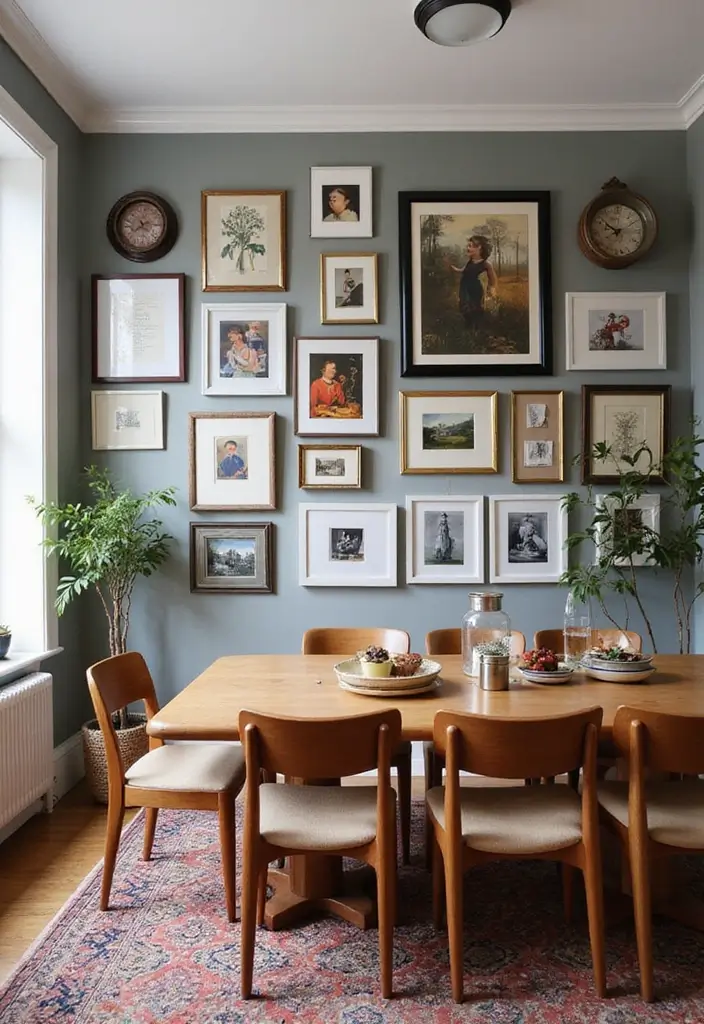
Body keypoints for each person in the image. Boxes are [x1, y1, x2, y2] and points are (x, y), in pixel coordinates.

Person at [449, 234, 498, 330]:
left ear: (479, 248)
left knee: (475, 307)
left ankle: (477, 329)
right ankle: (469, 326)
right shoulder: (470, 261)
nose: (467, 248)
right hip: (464, 287)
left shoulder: (486, 264)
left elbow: (493, 278)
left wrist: (492, 288)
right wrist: (455, 269)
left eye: (470, 246)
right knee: (463, 306)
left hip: (475, 288)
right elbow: (464, 270)